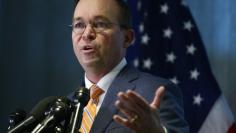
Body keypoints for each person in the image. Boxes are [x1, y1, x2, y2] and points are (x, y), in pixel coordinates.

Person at [69, 0, 189, 132]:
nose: (86, 34)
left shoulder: (154, 93)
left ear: (127, 38)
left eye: (100, 24)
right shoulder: (64, 108)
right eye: (79, 25)